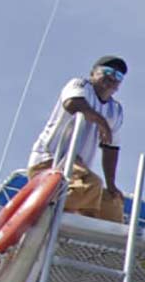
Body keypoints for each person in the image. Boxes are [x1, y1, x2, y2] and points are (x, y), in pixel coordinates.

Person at [25, 56, 129, 224]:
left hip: (77, 171)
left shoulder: (115, 110)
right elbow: (73, 103)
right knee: (91, 184)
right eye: (107, 72)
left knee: (112, 203)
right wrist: (100, 121)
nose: (112, 78)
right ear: (93, 73)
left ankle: (104, 248)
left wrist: (112, 185)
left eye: (118, 76)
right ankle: (38, 212)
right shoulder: (80, 86)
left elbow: (111, 148)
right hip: (52, 160)